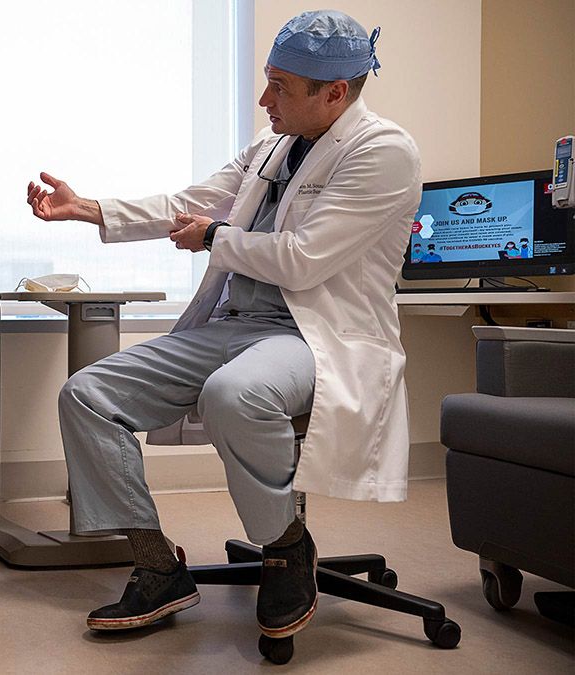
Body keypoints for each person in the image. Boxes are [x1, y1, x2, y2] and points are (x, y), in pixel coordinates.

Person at [25, 10, 419, 641]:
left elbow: (304, 257)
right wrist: (87, 208)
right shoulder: (274, 145)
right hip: (236, 324)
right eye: (267, 81)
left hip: (313, 335)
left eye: (281, 87)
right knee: (87, 394)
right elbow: (192, 201)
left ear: (335, 93)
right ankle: (158, 567)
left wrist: (214, 237)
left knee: (235, 395)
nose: (265, 99)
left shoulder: (385, 152)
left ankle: (286, 545)